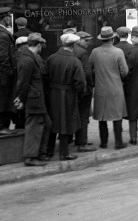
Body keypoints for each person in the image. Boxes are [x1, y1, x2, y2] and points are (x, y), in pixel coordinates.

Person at [44, 33, 86, 161]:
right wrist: (79, 94)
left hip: (52, 93)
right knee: (65, 122)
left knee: (53, 121)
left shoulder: (51, 58)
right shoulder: (75, 61)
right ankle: (64, 153)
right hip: (68, 94)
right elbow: (80, 82)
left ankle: (49, 151)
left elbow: (44, 76)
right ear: (73, 45)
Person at [14, 33, 51, 166]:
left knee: (47, 124)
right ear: (39, 45)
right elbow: (23, 83)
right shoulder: (27, 60)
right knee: (33, 127)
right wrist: (21, 99)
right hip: (33, 99)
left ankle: (40, 153)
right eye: (42, 46)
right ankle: (30, 157)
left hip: (36, 98)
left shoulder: (30, 57)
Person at [89, 26, 128, 149]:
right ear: (112, 38)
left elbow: (89, 67)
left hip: (101, 88)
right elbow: (125, 71)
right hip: (116, 88)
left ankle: (104, 142)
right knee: (117, 116)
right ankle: (118, 142)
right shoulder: (118, 52)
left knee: (102, 117)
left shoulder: (95, 52)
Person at [73, 31, 96, 152]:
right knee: (83, 116)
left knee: (76, 114)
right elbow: (87, 72)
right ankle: (82, 142)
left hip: (74, 88)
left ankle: (77, 139)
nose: (88, 43)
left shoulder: (72, 50)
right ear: (78, 40)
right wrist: (90, 85)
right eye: (85, 40)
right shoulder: (82, 52)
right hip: (84, 88)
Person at [0, 7, 16, 135]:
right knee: (3, 100)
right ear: (4, 18)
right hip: (3, 77)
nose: (9, 19)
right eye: (8, 16)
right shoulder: (3, 35)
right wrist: (9, 73)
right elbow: (3, 57)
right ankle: (2, 127)